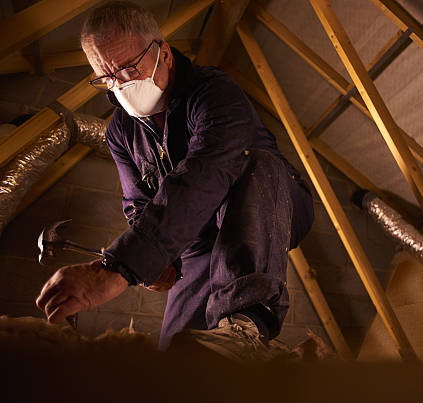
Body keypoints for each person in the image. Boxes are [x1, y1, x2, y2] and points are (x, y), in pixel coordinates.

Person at [36, 1, 314, 352]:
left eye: (129, 68)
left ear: (164, 54)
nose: (119, 84)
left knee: (256, 162)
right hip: (199, 239)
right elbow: (138, 203)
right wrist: (156, 261)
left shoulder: (212, 92)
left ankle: (247, 321)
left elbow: (207, 172)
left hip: (271, 206)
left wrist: (121, 268)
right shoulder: (120, 132)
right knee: (177, 352)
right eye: (106, 77)